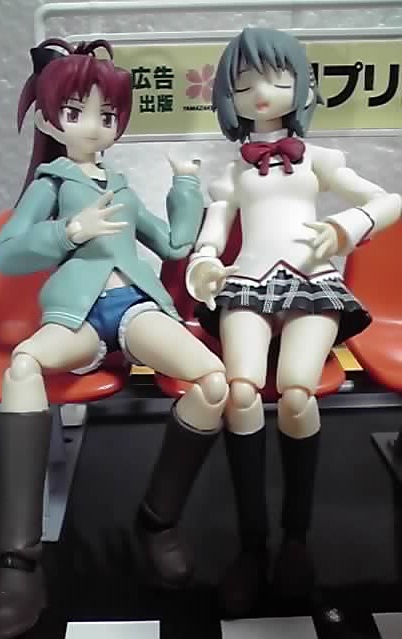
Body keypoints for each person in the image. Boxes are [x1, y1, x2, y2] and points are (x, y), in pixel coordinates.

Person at [0, 38, 228, 639]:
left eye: (107, 114)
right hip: (79, 315)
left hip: (136, 307)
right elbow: (5, 254)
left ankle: (157, 520)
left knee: (214, 381)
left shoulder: (121, 184)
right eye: (75, 112)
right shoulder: (51, 181)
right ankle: (18, 562)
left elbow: (173, 244)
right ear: (49, 119)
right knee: (23, 364)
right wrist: (70, 231)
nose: (93, 125)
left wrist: (185, 185)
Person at [186, 27, 401, 616]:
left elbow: (387, 200)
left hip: (313, 283)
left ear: (301, 85)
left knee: (299, 393)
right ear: (228, 94)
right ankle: (252, 545)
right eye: (244, 81)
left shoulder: (321, 160)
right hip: (247, 284)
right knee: (241, 392)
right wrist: (205, 263)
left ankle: (297, 540)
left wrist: (345, 227)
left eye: (278, 77)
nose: (261, 92)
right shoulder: (231, 173)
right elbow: (212, 234)